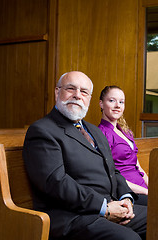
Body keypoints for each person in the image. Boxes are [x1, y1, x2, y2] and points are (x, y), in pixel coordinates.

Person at [23, 71, 147, 240]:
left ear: (89, 98)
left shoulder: (95, 131)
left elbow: (114, 171)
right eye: (71, 88)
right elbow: (56, 183)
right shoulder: (43, 130)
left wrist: (126, 198)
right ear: (57, 92)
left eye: (84, 91)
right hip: (73, 216)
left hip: (108, 205)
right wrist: (105, 207)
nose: (77, 95)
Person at [98, 85, 148, 206]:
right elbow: (111, 176)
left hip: (143, 188)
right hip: (127, 191)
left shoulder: (125, 131)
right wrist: (147, 192)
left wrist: (152, 187)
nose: (117, 106)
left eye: (121, 102)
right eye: (112, 100)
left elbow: (138, 166)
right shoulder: (101, 134)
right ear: (101, 104)